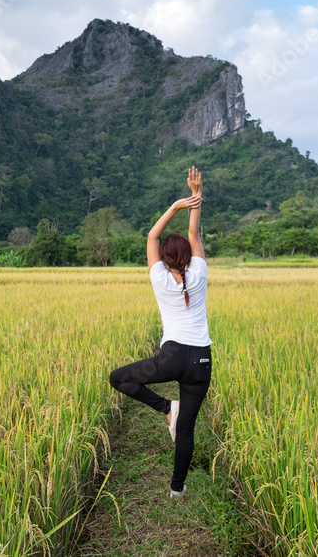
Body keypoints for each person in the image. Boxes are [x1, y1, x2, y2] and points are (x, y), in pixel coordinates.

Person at [108, 166, 212, 498]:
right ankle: (177, 491)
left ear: (165, 260)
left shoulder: (159, 277)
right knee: (187, 430)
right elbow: (194, 235)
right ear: (188, 257)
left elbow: (152, 236)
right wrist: (196, 199)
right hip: (202, 361)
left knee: (119, 378)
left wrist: (177, 205)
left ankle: (166, 407)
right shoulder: (200, 273)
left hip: (172, 357)